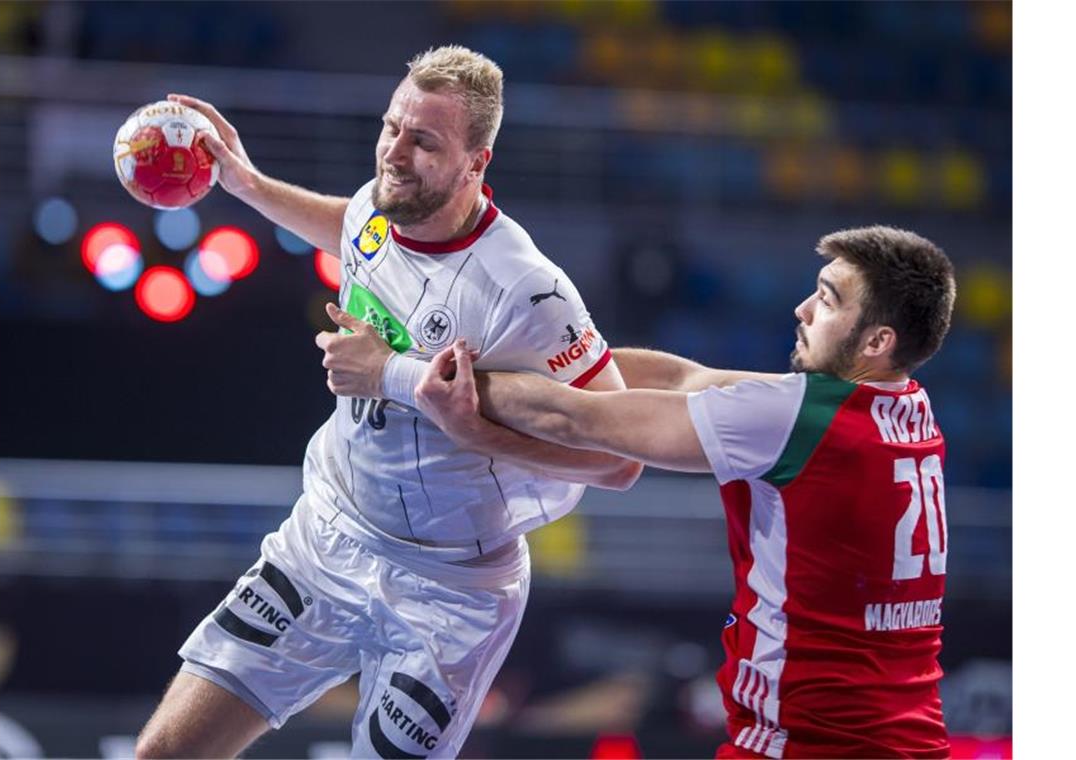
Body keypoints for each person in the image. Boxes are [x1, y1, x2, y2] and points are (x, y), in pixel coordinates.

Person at [135, 46, 642, 759]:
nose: (395, 153)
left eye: (424, 141)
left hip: (453, 590)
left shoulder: (529, 292)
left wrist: (437, 405)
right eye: (391, 127)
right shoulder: (384, 202)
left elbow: (619, 462)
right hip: (327, 538)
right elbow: (352, 225)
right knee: (164, 754)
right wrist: (246, 184)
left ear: (476, 165)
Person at [409, 226, 957, 758]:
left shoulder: (799, 421)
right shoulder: (910, 407)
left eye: (828, 300)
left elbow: (573, 419)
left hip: (812, 746)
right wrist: (566, 361)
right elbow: (683, 380)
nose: (803, 309)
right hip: (907, 739)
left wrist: (409, 374)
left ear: (877, 341)